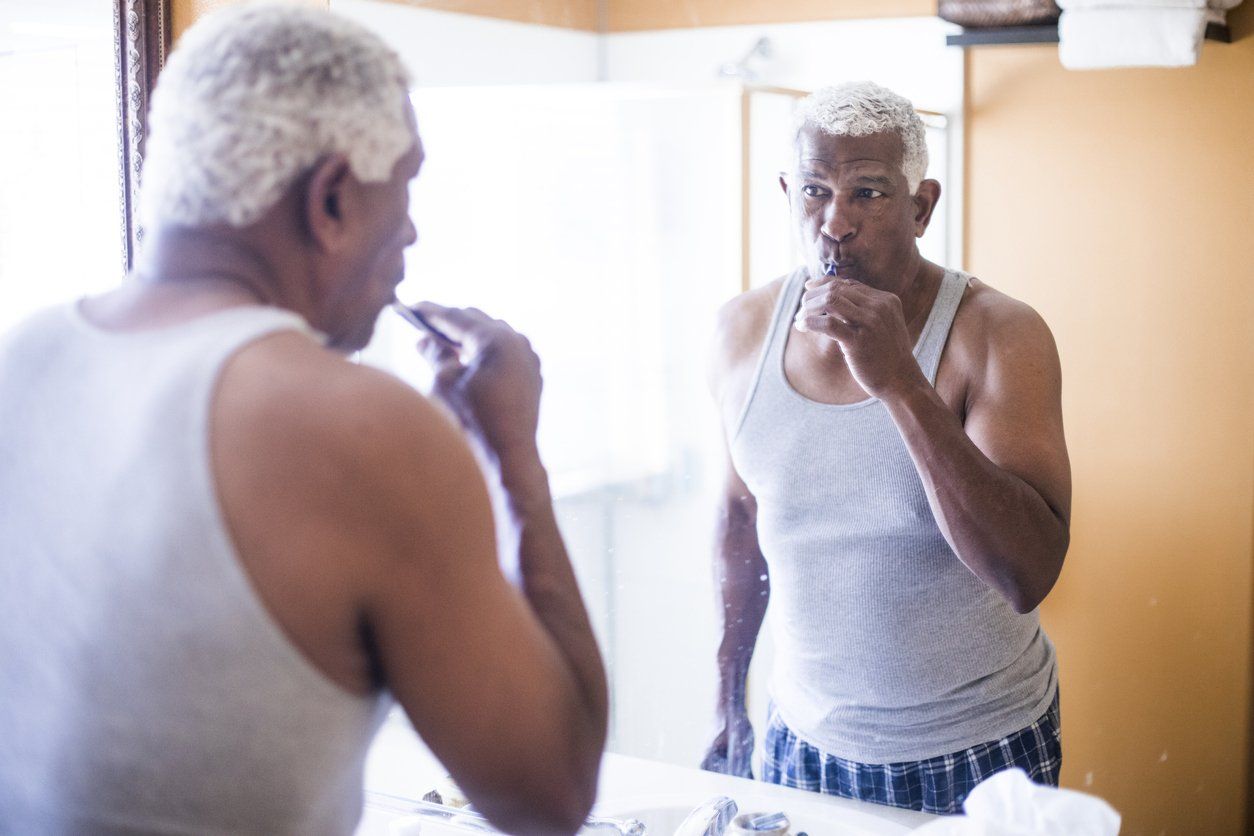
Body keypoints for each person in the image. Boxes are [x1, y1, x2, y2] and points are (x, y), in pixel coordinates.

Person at [0, 5, 606, 834]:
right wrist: (510, 454)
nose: (413, 229)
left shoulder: (22, 356)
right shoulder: (357, 428)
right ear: (330, 200)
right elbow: (551, 797)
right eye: (408, 184)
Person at [701, 81, 1069, 815]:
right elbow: (741, 524)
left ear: (922, 205)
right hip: (799, 738)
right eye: (814, 190)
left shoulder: (998, 334)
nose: (834, 223)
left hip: (978, 747)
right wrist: (727, 696)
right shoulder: (741, 331)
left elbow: (1026, 572)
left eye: (868, 193)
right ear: (787, 192)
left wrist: (902, 383)